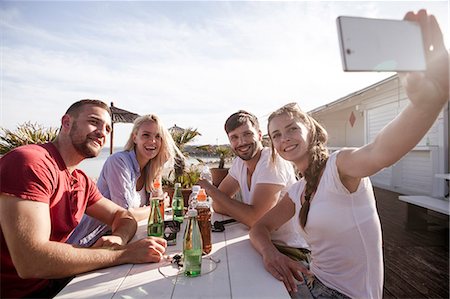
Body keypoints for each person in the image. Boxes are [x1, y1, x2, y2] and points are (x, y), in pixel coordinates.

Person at [249, 10, 449, 299]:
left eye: (291, 128)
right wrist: (271, 254)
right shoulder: (298, 190)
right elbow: (260, 228)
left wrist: (426, 105)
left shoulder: (339, 167)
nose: (284, 139)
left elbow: (380, 151)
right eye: (276, 135)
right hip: (314, 283)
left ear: (310, 130)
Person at [0, 100, 167, 298]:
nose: (102, 132)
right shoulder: (32, 162)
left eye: (107, 128)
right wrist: (125, 253)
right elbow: (31, 262)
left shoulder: (80, 180)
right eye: (94, 122)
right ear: (66, 122)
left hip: (59, 280)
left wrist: (118, 238)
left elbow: (123, 216)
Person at [199, 110, 310, 263]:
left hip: (289, 250)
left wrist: (210, 189)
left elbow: (256, 219)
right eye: (235, 137)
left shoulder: (271, 161)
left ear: (259, 135)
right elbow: (217, 205)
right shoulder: (240, 163)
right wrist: (245, 213)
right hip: (259, 243)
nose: (242, 142)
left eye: (247, 134)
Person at [67, 114, 182, 247]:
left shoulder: (152, 168)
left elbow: (158, 207)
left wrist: (159, 170)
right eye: (146, 135)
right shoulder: (119, 162)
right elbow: (126, 214)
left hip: (123, 238)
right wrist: (157, 206)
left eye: (158, 136)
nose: (153, 141)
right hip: (89, 242)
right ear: (135, 137)